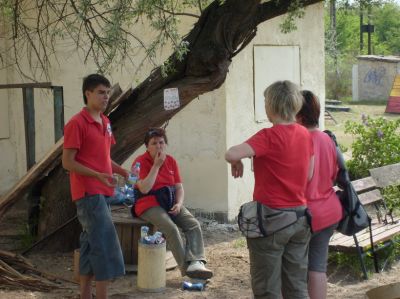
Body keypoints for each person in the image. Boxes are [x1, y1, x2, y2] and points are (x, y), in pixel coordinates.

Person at [225, 80, 314, 299]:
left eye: (265, 101)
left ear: (271, 106)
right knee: (297, 286)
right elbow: (309, 175)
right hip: (300, 219)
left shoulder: (268, 136)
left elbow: (231, 153)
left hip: (271, 221)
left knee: (267, 288)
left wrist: (238, 160)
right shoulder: (305, 135)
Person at [62, 74, 128, 299]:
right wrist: (97, 176)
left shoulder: (105, 122)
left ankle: (84, 295)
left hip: (103, 192)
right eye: (101, 92)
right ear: (87, 93)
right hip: (88, 193)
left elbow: (103, 157)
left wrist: (122, 171)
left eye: (108, 92)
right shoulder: (76, 123)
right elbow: (67, 162)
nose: (106, 96)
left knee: (90, 244)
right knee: (104, 245)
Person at [132, 127, 213, 279]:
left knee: (193, 224)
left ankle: (196, 262)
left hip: (169, 201)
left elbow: (179, 187)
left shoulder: (171, 161)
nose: (158, 146)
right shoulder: (139, 162)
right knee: (171, 229)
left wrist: (179, 203)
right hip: (148, 202)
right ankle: (188, 270)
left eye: (161, 142)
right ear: (147, 146)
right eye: (154, 143)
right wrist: (156, 165)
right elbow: (144, 188)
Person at [296, 90, 343, 299]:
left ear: (298, 115)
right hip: (329, 211)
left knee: (291, 269)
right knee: (317, 267)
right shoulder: (327, 139)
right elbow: (334, 175)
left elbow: (299, 179)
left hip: (305, 214)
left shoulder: (300, 140)